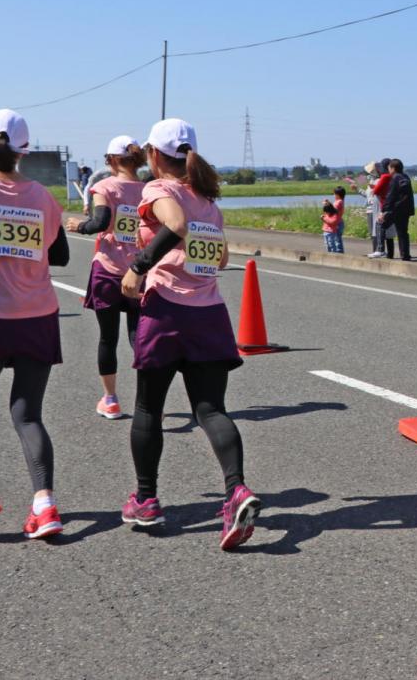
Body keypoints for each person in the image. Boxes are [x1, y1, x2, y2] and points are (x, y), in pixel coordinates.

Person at [118, 118, 260, 550]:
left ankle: (145, 499)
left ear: (156, 155)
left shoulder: (159, 191)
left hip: (166, 312)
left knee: (148, 409)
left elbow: (175, 223)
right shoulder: (210, 203)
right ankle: (236, 490)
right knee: (211, 410)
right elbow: (220, 260)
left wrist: (139, 266)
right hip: (209, 314)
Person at [0, 109, 70, 538]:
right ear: (24, 151)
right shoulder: (42, 198)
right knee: (28, 416)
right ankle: (45, 505)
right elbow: (60, 255)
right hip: (39, 316)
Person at [66, 135, 146, 419]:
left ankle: (110, 400)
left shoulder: (105, 187)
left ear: (111, 160)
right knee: (140, 338)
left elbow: (100, 222)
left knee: (107, 339)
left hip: (109, 272)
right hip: (140, 272)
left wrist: (79, 226)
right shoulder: (149, 189)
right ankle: (148, 403)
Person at [382, 159, 414, 261]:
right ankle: (405, 255)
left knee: (382, 227)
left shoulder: (395, 178)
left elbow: (390, 196)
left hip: (395, 209)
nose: (388, 170)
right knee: (403, 232)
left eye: (389, 168)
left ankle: (382, 251)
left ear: (393, 168)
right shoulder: (405, 177)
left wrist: (384, 210)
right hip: (406, 209)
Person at [369, 160, 396, 258]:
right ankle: (390, 255)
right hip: (392, 207)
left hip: (384, 206)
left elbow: (375, 191)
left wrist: (374, 188)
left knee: (379, 225)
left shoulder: (385, 177)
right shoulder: (393, 177)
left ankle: (380, 250)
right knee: (389, 233)